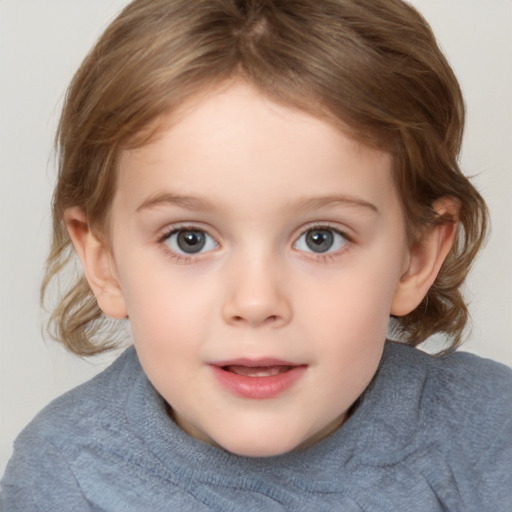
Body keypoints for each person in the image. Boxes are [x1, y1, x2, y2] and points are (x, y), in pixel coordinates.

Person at [1, 0, 511, 510]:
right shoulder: (66, 476)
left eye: (321, 238)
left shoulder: (489, 436)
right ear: (104, 260)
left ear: (416, 256)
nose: (255, 300)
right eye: (189, 239)